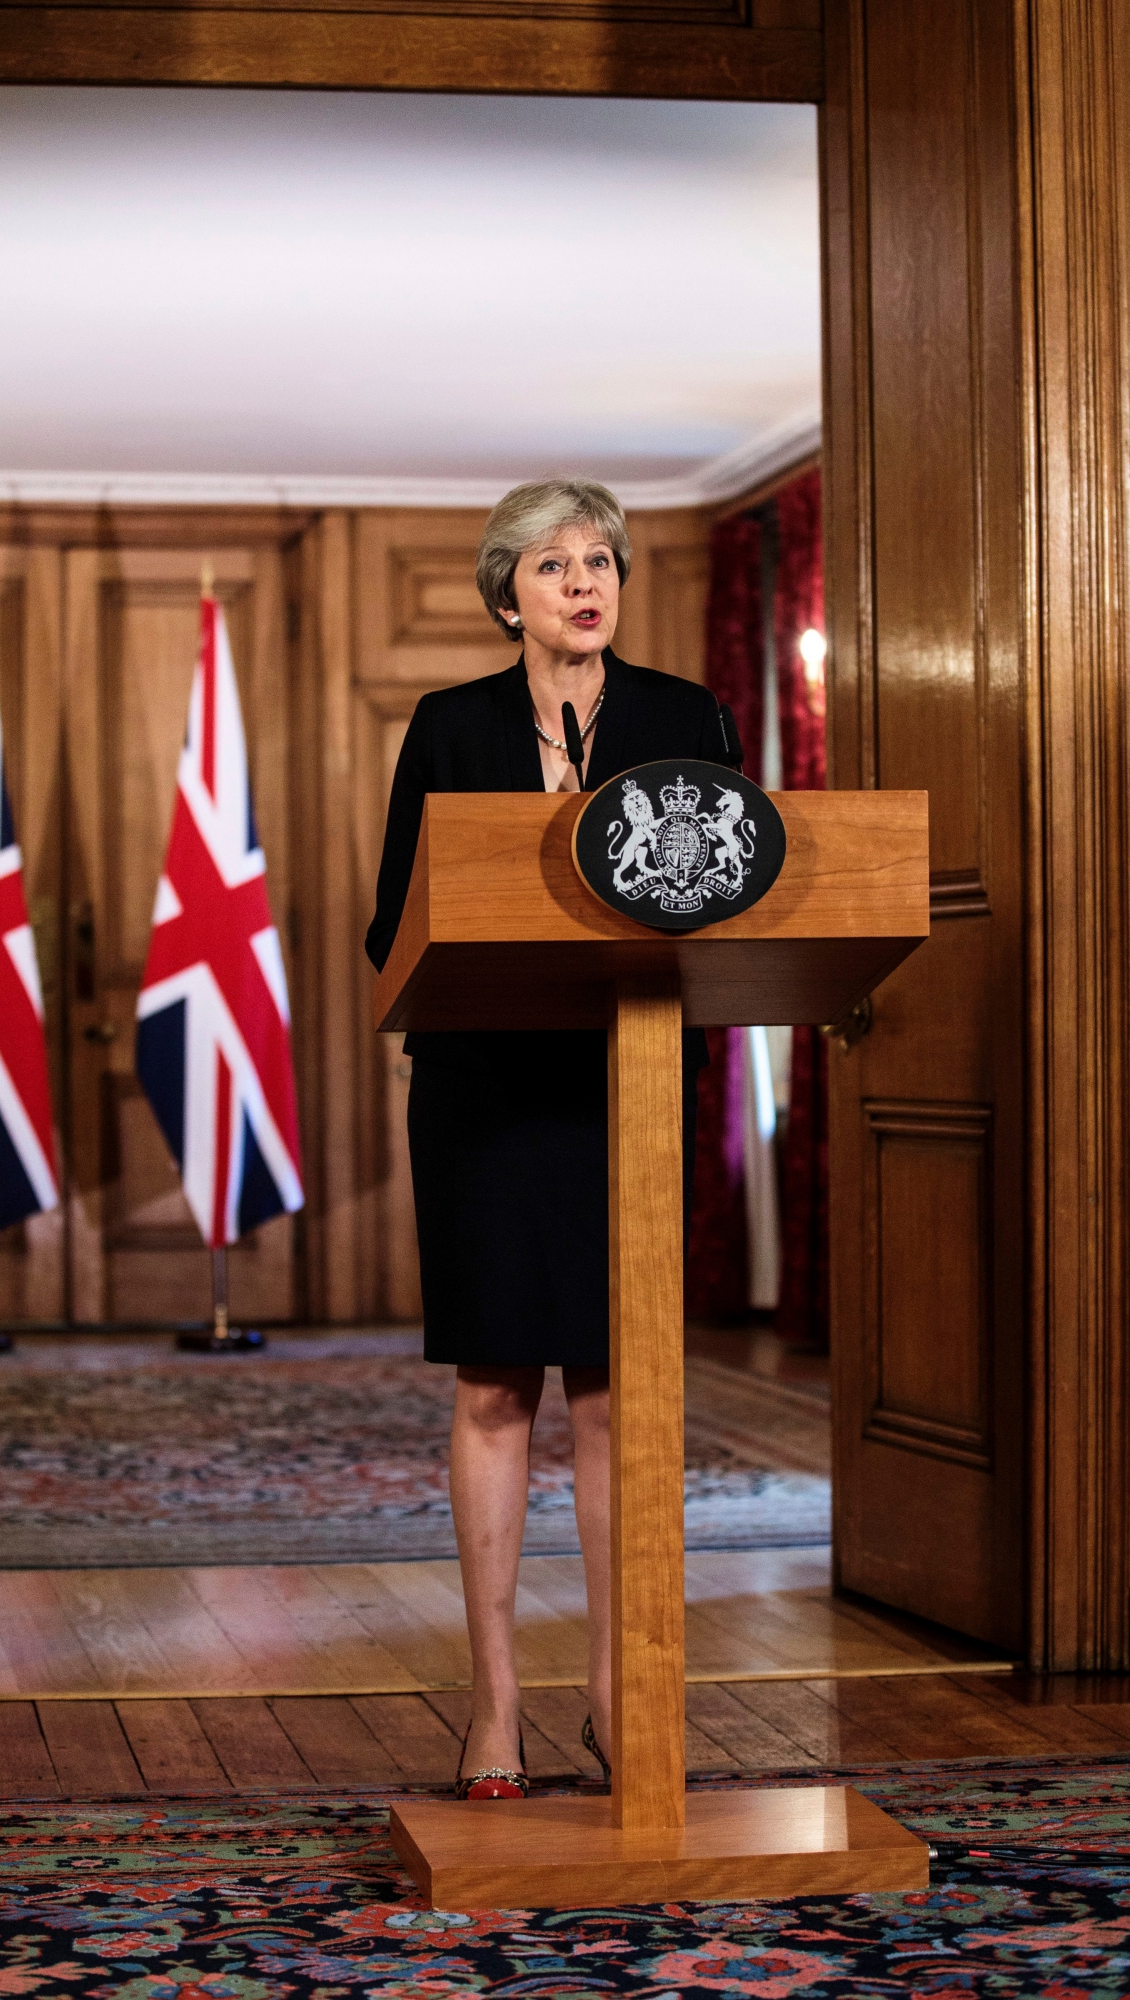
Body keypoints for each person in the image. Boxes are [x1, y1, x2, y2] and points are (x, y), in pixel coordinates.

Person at [366, 478, 729, 1799]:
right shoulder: (449, 725)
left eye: (601, 562)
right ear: (504, 593)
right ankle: (496, 1707)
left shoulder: (682, 717)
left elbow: (729, 899)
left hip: (623, 1089)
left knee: (614, 1387)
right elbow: (385, 929)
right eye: (555, 566)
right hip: (484, 1095)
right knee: (494, 1384)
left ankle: (617, 1692)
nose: (585, 585)